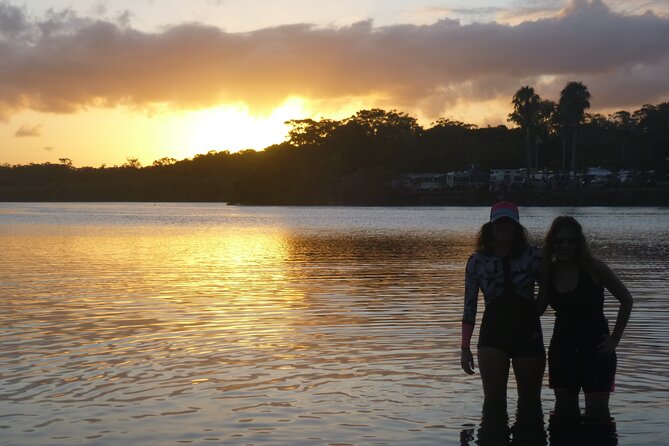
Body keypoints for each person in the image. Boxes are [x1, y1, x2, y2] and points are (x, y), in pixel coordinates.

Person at [539, 216, 633, 421]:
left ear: (578, 243)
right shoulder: (550, 271)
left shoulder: (594, 268)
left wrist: (615, 338)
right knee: (563, 420)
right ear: (552, 242)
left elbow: (626, 300)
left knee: (598, 420)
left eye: (571, 241)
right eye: (560, 240)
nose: (565, 246)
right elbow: (538, 309)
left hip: (597, 351)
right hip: (562, 351)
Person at [460, 201, 545, 409]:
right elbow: (469, 306)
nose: (504, 228)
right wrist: (464, 347)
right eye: (499, 223)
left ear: (517, 227)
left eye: (509, 223)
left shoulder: (533, 256)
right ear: (491, 228)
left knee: (530, 402)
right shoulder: (477, 262)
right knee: (493, 404)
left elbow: (549, 289)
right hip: (493, 334)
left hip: (528, 334)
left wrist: (536, 312)